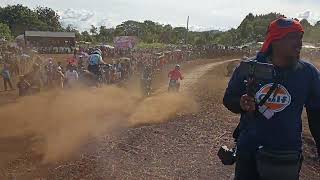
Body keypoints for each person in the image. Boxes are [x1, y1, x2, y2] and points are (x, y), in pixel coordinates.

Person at [223, 17, 320, 180]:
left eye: (300, 37)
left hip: (286, 155)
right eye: (292, 37)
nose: (299, 43)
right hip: (248, 152)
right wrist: (240, 103)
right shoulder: (249, 68)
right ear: (275, 40)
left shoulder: (308, 73)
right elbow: (228, 99)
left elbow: (317, 114)